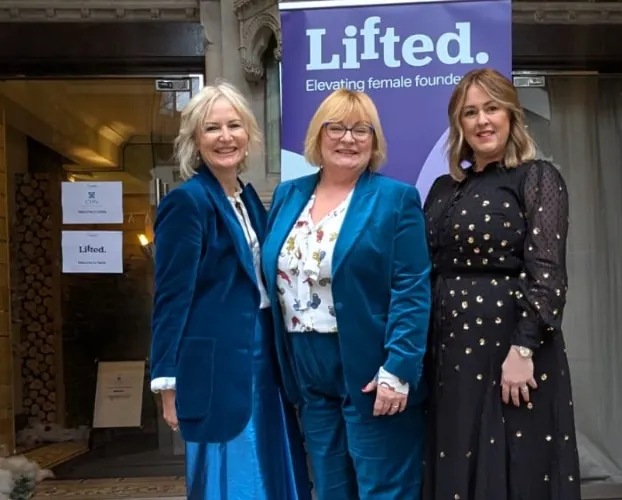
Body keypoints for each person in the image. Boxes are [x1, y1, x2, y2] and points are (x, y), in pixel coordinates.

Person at [261, 88, 431, 500]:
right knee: (331, 487)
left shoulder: (395, 199)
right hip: (306, 366)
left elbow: (411, 286)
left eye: (361, 129)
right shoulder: (289, 195)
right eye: (336, 127)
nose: (348, 138)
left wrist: (399, 368)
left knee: (383, 488)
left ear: (374, 141)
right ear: (318, 136)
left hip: (373, 368)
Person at [422, 68, 581, 500]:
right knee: (456, 460)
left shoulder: (537, 178)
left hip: (511, 351)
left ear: (511, 115)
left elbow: (547, 271)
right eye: (470, 112)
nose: (481, 121)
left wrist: (523, 348)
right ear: (459, 124)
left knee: (515, 469)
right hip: (449, 353)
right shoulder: (441, 188)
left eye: (491, 108)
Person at [149, 81, 311, 500]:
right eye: (212, 128)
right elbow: (171, 296)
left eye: (234, 125)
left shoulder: (248, 198)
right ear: (195, 141)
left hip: (264, 361)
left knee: (272, 468)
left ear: (248, 134)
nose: (225, 137)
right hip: (216, 368)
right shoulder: (187, 202)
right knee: (231, 479)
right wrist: (167, 383)